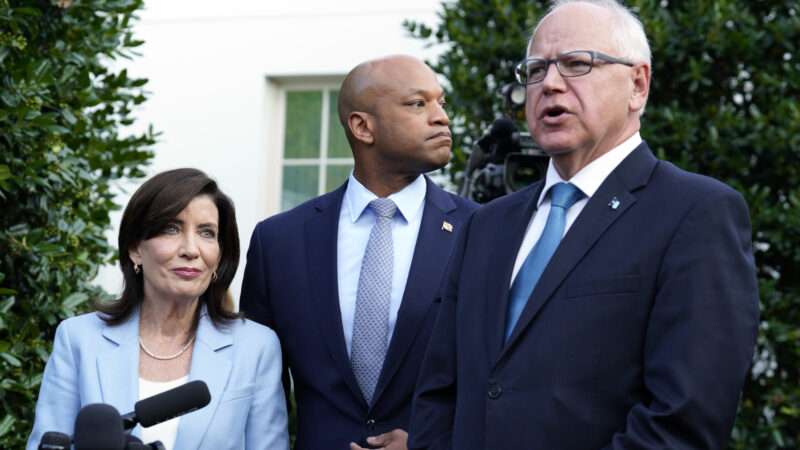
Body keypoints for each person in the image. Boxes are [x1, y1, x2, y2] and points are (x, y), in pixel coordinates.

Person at [408, 1, 760, 449]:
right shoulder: (487, 225)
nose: (550, 84)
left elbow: (682, 421)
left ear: (638, 84)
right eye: (535, 70)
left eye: (577, 64)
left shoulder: (696, 214)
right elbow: (439, 394)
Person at [240, 54, 478, 450]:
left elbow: (497, 380)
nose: (441, 117)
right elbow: (260, 390)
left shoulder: (482, 230)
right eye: (418, 104)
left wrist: (430, 443)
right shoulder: (278, 242)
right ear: (362, 126)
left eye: (441, 102)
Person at [27, 168, 289, 450]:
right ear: (135, 249)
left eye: (206, 233)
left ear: (220, 255)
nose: (191, 249)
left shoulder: (256, 347)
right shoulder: (78, 338)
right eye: (171, 228)